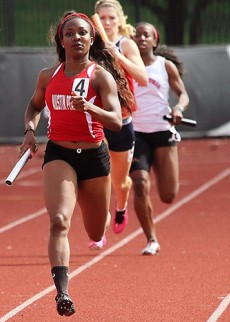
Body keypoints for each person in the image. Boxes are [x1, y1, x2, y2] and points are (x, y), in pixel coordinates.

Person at [18, 11, 134, 316]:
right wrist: (30, 131)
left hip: (94, 156)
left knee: (96, 232)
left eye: (82, 33)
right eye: (70, 34)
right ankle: (62, 293)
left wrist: (90, 107)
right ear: (61, 39)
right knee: (59, 220)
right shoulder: (48, 76)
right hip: (60, 154)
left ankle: (102, 213)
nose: (76, 38)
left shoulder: (99, 76)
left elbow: (117, 122)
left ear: (91, 38)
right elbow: (34, 105)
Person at [131, 22, 190, 255]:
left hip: (162, 131)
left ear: (154, 40)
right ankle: (151, 239)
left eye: (146, 35)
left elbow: (182, 94)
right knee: (140, 184)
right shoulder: (125, 67)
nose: (141, 38)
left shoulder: (165, 67)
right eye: (137, 35)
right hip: (135, 134)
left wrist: (179, 109)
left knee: (168, 195)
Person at [93, 0, 148, 237]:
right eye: (102, 18)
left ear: (119, 20)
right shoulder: (90, 43)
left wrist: (118, 57)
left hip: (122, 120)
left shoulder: (126, 44)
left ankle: (121, 206)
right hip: (97, 118)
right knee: (99, 176)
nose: (106, 22)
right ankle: (99, 223)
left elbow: (142, 77)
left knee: (120, 182)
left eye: (111, 18)